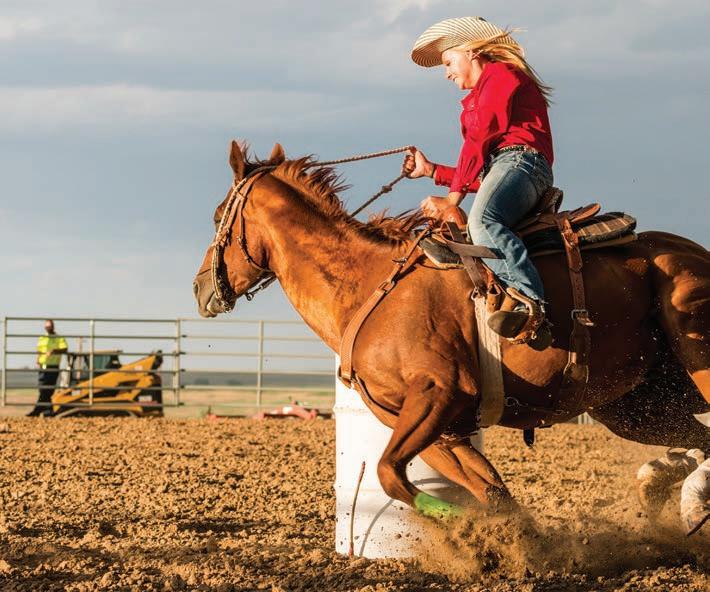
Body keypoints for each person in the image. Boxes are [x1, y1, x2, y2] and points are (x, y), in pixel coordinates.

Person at [404, 16, 554, 342]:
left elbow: (480, 138)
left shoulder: (500, 74)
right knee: (481, 220)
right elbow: (486, 174)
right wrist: (432, 171)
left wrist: (452, 201)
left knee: (482, 221)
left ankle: (530, 304)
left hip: (523, 162)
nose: (446, 73)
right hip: (511, 167)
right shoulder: (481, 94)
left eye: (448, 62)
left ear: (471, 51)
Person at [27, 319, 68, 417]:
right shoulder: (42, 338)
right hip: (42, 367)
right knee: (42, 389)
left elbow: (65, 349)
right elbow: (39, 350)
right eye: (46, 327)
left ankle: (39, 410)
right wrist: (38, 360)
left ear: (53, 327)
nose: (48, 328)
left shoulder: (59, 338)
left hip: (53, 366)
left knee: (48, 389)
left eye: (49, 326)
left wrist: (54, 351)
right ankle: (47, 410)